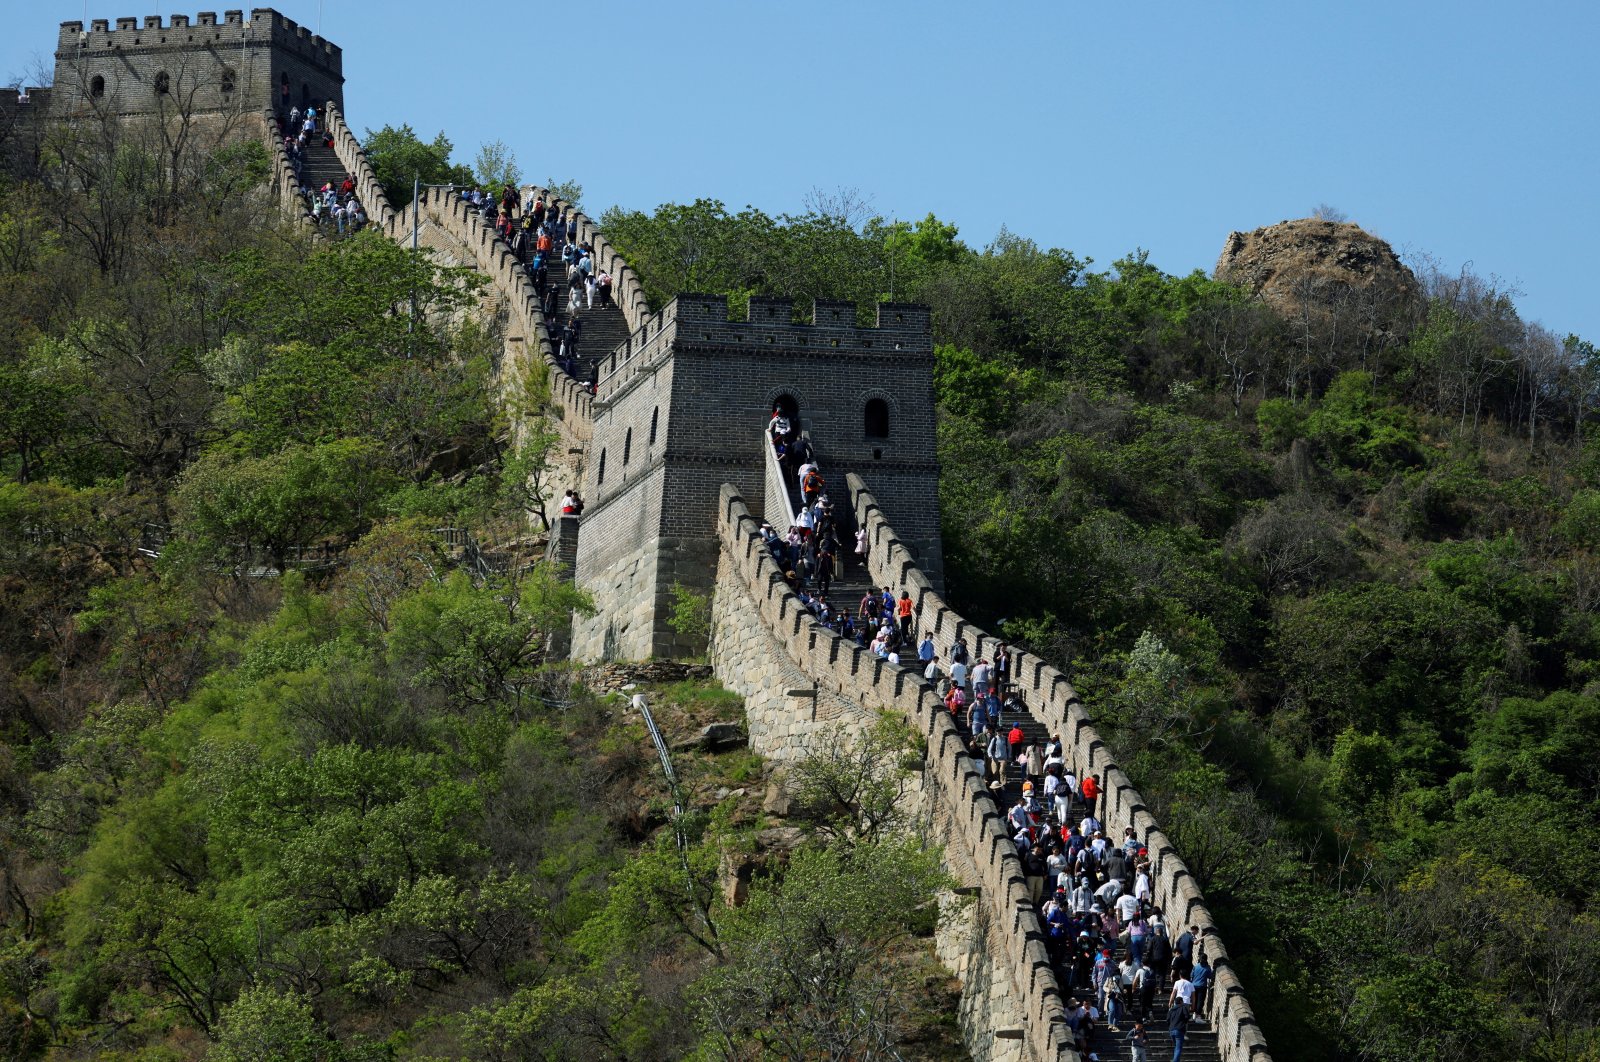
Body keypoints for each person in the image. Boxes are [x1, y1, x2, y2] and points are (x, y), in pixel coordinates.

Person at [1190, 953, 1212, 1026]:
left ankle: (1193, 1015)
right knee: (1200, 1001)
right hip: (1202, 986)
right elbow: (1210, 976)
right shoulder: (1207, 968)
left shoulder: (1195, 967)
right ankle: (1198, 1016)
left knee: (1194, 1000)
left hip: (1194, 986)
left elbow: (1191, 975)